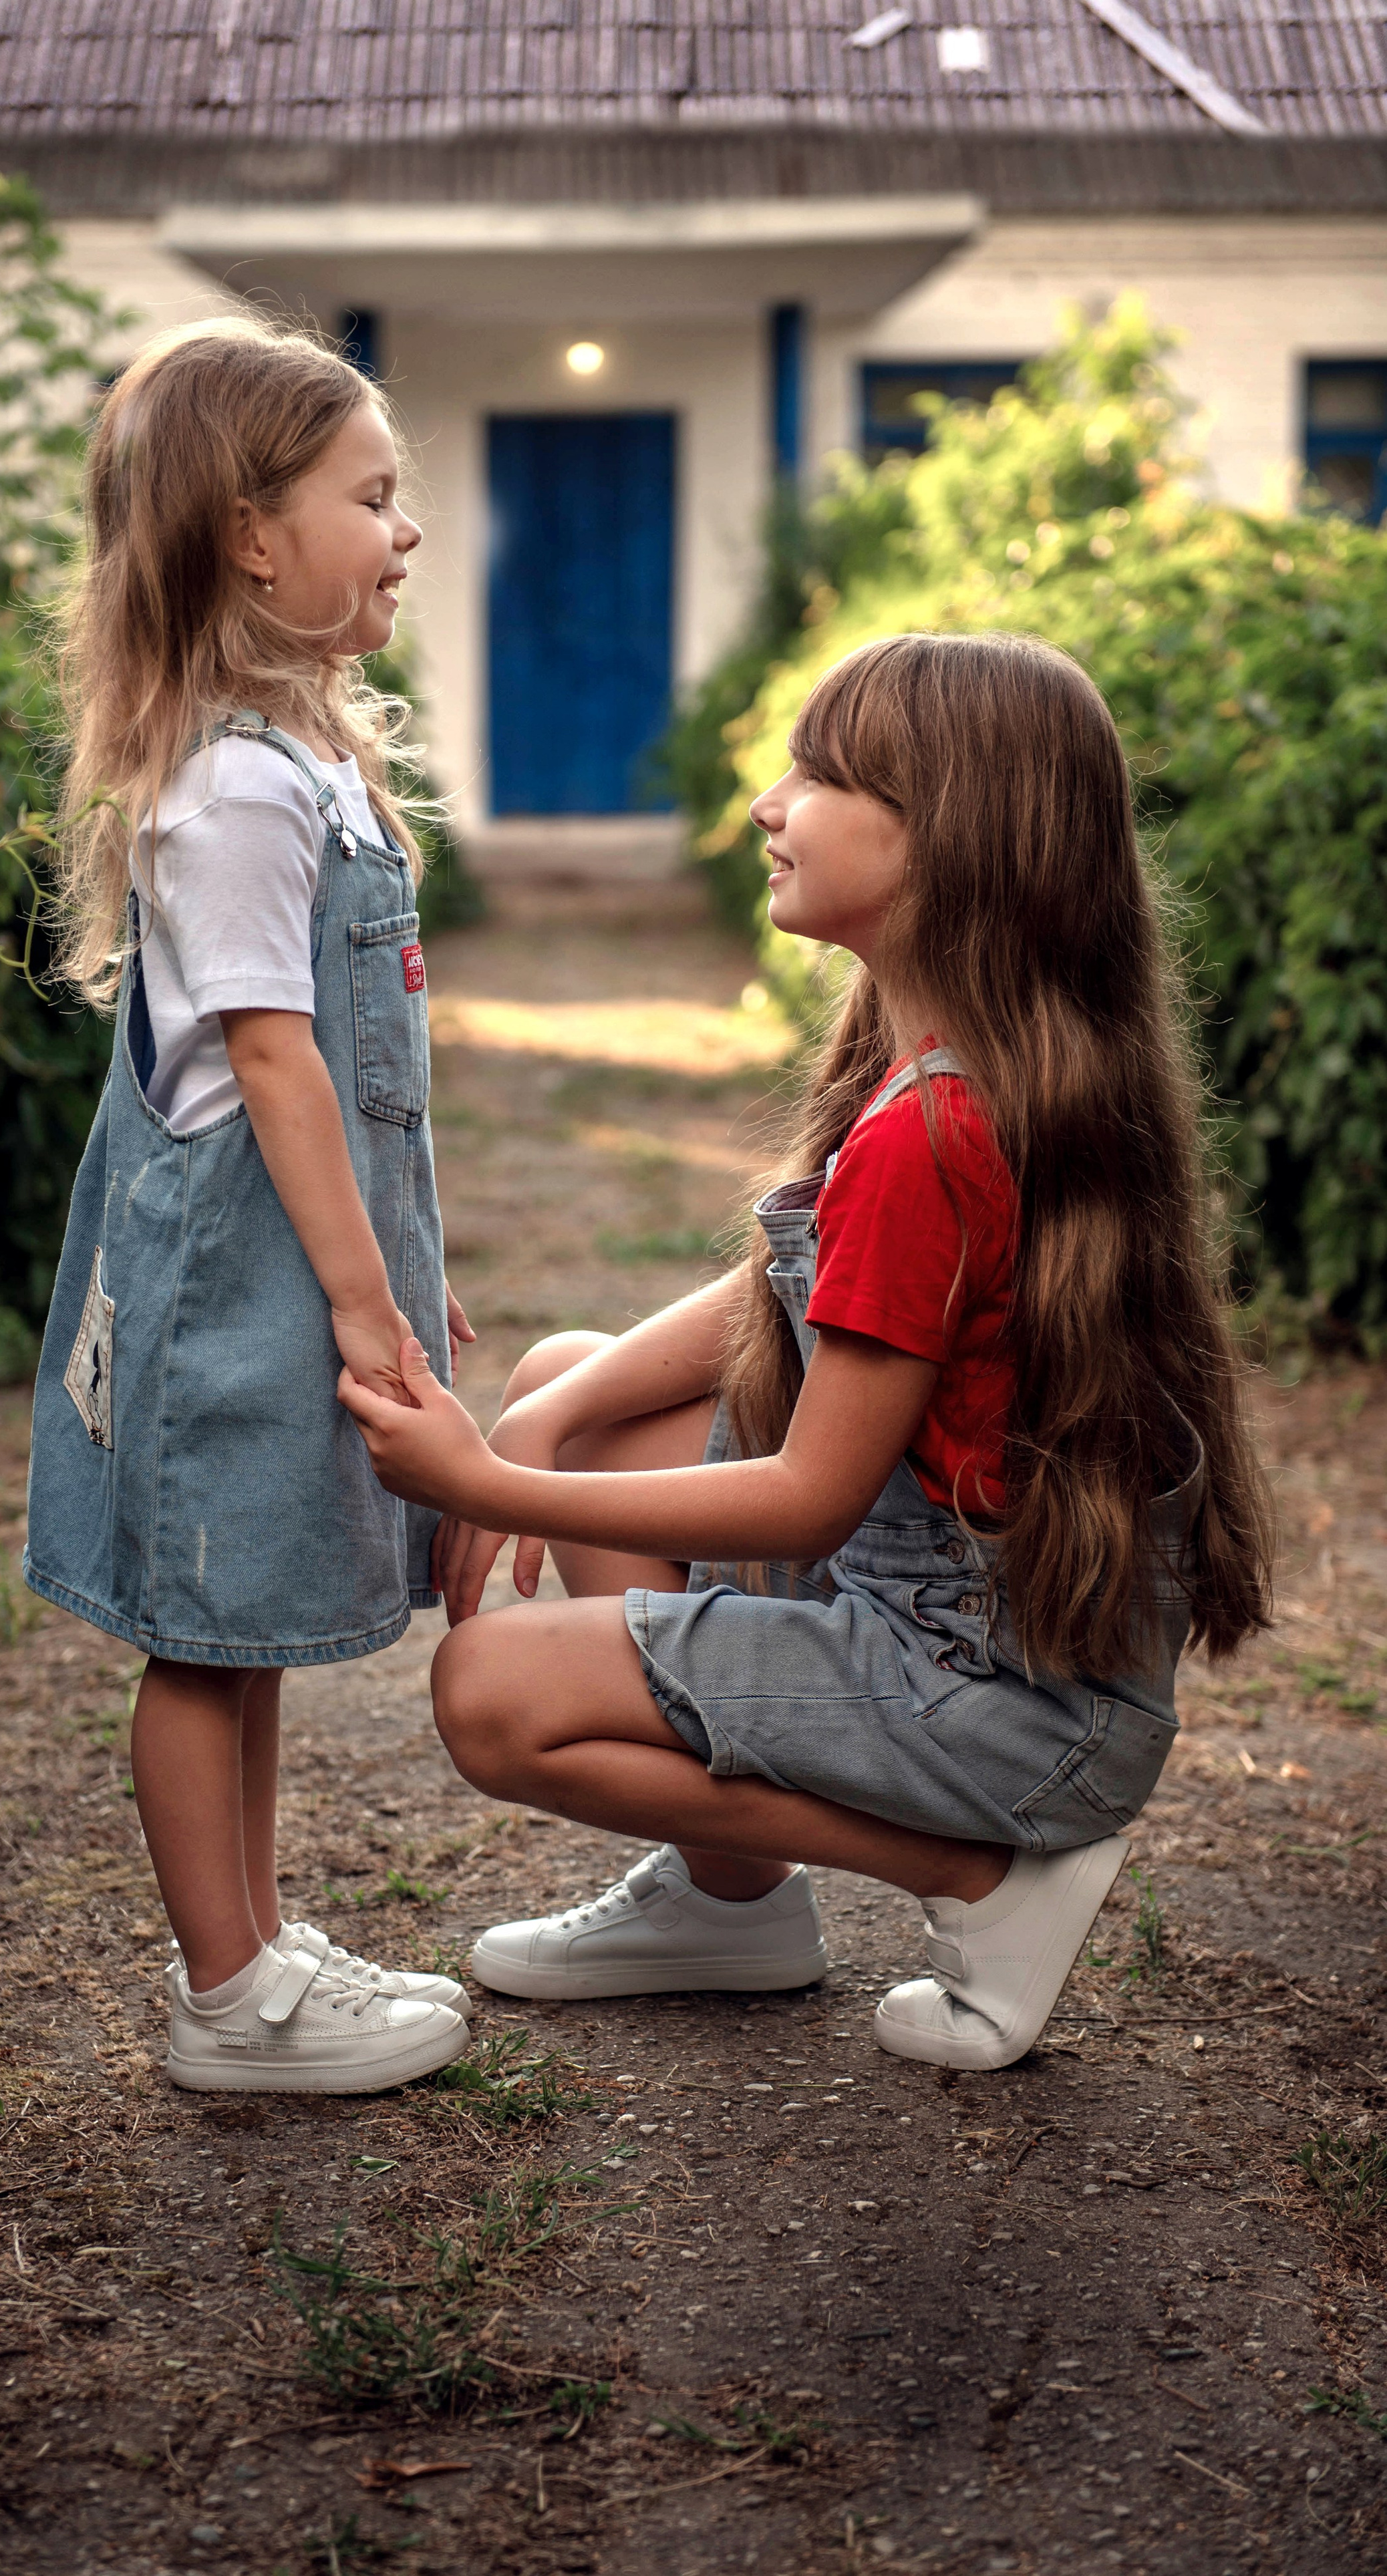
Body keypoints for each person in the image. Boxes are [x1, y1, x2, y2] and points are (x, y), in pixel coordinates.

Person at [339, 631, 1275, 2072]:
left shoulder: (933, 1133)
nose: (768, 806)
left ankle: (985, 1881)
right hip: (991, 1628)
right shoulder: (959, 1060)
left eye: (819, 775)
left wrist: (485, 1481)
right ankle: (731, 1912)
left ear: (943, 840)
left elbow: (804, 1496)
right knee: (567, 1386)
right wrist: (542, 1418)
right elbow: (789, 1308)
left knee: (489, 1696)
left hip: (989, 1683)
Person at [24, 315, 472, 2094]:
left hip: (310, 1268)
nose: (404, 530)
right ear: (249, 534)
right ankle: (227, 1998)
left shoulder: (307, 773)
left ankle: (259, 1944)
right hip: (237, 1289)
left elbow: (368, 1105)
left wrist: (404, 1277)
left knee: (252, 1623)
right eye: (371, 495)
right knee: (203, 1639)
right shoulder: (228, 793)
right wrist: (364, 1307)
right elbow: (279, 1071)